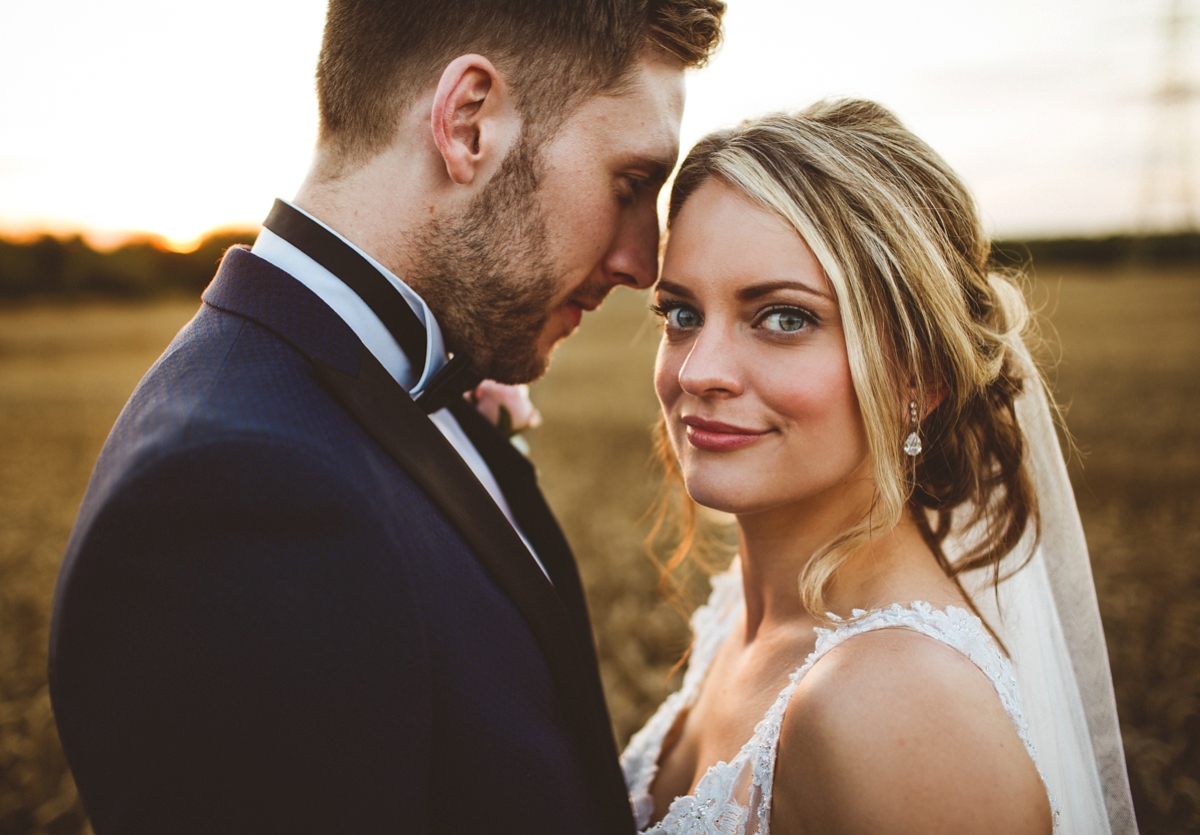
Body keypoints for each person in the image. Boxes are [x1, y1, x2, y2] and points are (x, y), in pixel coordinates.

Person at [47, 2, 724, 833]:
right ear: (469, 122)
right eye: (631, 184)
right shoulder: (233, 496)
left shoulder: (390, 378)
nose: (641, 262)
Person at [621, 100, 1139, 834]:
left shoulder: (903, 707)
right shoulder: (748, 612)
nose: (699, 370)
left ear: (916, 378)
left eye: (784, 317)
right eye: (681, 314)